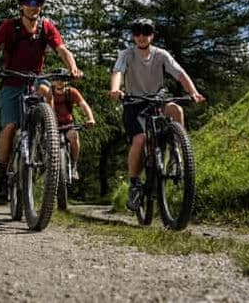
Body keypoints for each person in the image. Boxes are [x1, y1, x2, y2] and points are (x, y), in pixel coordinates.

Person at [0, 0, 83, 205]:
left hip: (35, 79)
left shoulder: (46, 27)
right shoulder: (10, 26)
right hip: (12, 81)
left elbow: (62, 49)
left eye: (38, 3)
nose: (34, 7)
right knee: (10, 127)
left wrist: (72, 67)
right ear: (22, 6)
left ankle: (48, 133)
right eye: (29, 2)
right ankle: (2, 177)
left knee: (46, 90)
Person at [108, 18, 206, 212]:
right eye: (137, 32)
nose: (142, 37)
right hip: (134, 104)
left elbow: (179, 73)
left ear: (152, 35)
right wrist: (115, 89)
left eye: (146, 32)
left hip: (156, 101)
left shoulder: (161, 55)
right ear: (133, 36)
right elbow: (117, 72)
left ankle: (176, 152)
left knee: (177, 110)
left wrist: (193, 92)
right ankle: (134, 184)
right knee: (140, 139)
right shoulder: (126, 54)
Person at [50, 72, 95, 180]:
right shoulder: (48, 92)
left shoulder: (71, 92)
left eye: (63, 79)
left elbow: (83, 105)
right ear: (53, 81)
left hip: (67, 125)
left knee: (74, 136)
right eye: (57, 79)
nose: (60, 82)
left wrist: (90, 118)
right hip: (51, 126)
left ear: (67, 80)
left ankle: (74, 165)